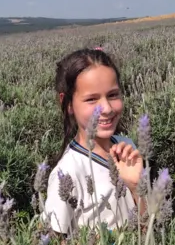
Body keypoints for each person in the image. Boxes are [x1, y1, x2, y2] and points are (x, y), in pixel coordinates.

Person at [44, 48, 146, 234]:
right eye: (91, 99)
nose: (106, 108)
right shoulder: (68, 172)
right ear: (67, 104)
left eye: (113, 95)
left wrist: (137, 188)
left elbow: (148, 230)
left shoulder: (126, 146)